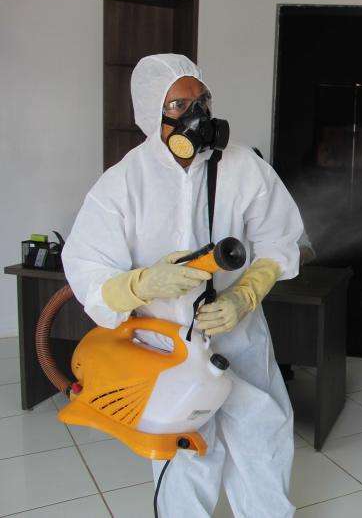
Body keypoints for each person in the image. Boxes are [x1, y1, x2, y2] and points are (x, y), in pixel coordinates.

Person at [62, 54, 303, 517]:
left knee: (261, 434)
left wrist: (245, 294)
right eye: (178, 104)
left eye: (202, 100)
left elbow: (279, 239)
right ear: (150, 114)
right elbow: (87, 271)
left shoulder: (242, 166)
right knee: (185, 448)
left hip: (239, 335)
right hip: (165, 345)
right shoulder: (122, 184)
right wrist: (143, 283)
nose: (197, 114)